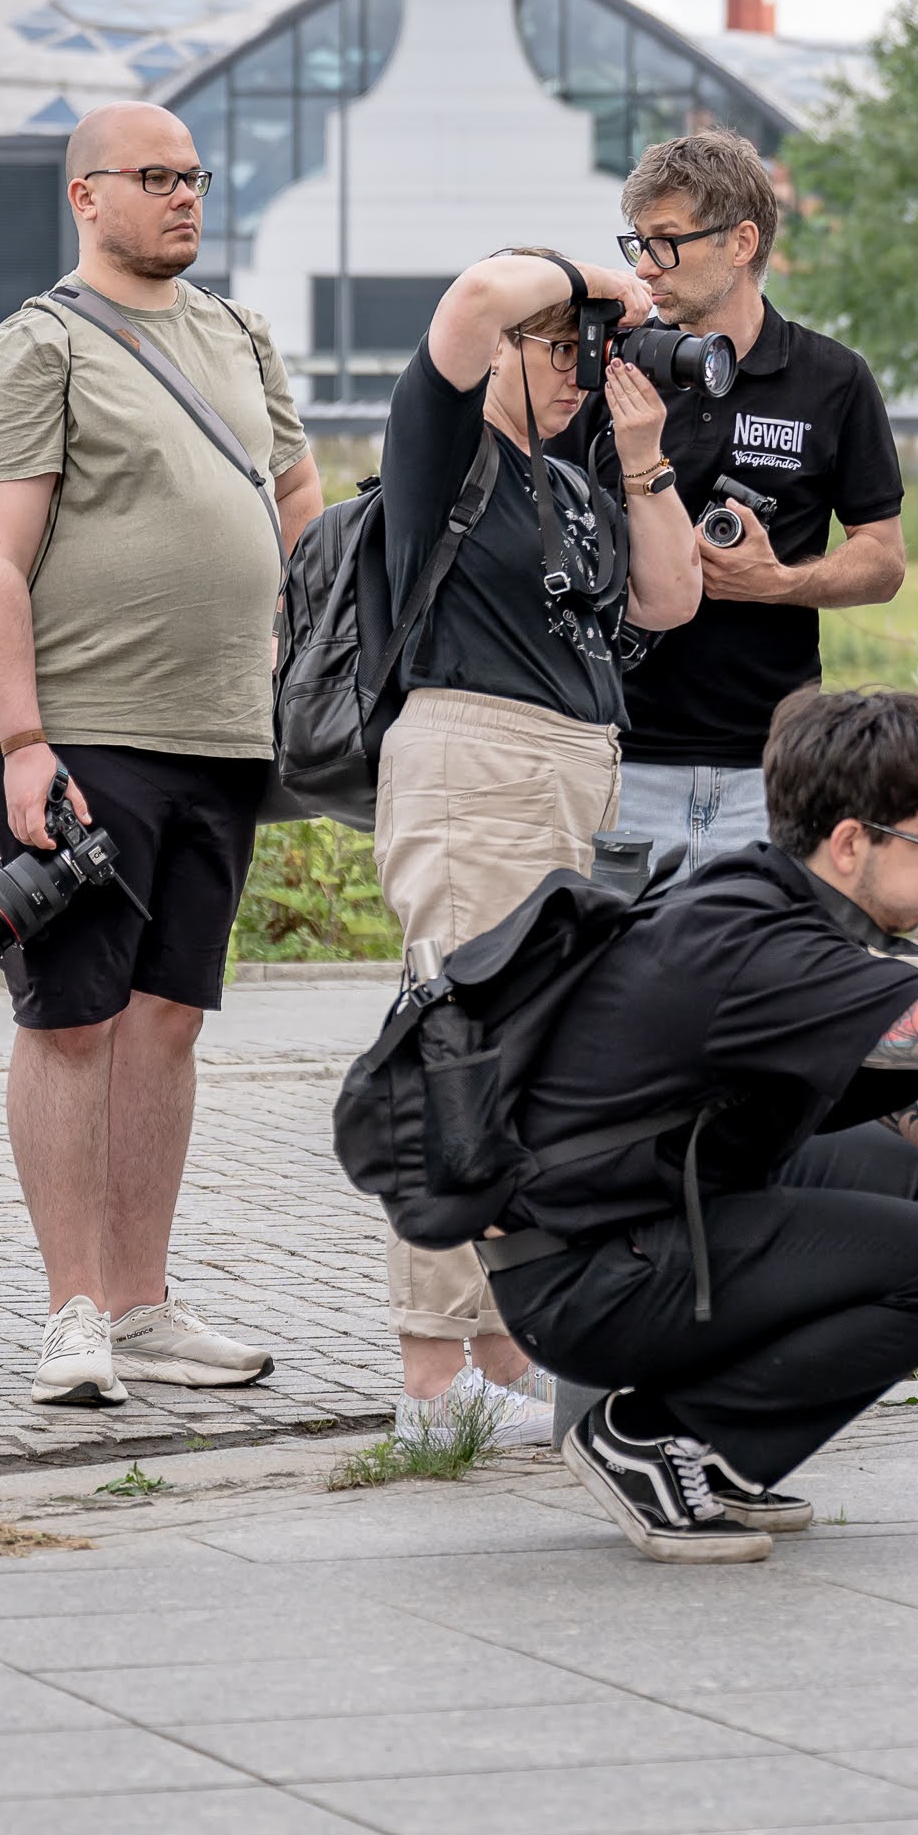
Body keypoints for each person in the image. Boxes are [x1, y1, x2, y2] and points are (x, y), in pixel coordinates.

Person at [485, 689, 918, 1558]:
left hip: (615, 1241)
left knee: (882, 1163)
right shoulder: (762, 946)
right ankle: (650, 1434)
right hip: (583, 1281)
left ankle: (717, 1456)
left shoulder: (783, 918)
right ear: (852, 841)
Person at [0, 102, 317, 1408]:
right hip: (76, 732)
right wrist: (28, 738)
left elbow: (296, 499)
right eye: (155, 177)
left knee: (164, 1022)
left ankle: (144, 1302)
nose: (185, 198)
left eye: (196, 177)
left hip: (219, 731)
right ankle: (71, 1312)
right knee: (72, 1024)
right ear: (85, 195)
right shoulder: (37, 347)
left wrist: (311, 640)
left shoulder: (236, 333)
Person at [370, 244, 699, 1450]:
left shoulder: (564, 483)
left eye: (588, 350)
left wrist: (643, 452)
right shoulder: (441, 446)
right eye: (562, 348)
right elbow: (469, 294)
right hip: (475, 760)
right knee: (460, 1057)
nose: (582, 368)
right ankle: (426, 1379)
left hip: (572, 770)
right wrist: (595, 286)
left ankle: (498, 1355)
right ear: (508, 352)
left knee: (531, 1075)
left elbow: (666, 601)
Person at [610, 126, 906, 860]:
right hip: (620, 756)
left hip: (772, 768)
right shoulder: (614, 374)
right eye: (638, 242)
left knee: (760, 974)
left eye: (667, 242)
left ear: (741, 243)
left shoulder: (833, 379)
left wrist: (776, 582)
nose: (646, 267)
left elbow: (885, 559)